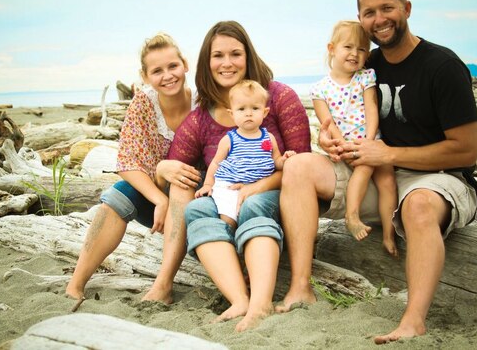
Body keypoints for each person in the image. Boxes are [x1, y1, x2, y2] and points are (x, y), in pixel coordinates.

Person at [277, 0, 477, 345]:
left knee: (418, 205)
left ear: (406, 9)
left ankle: (413, 321)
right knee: (298, 166)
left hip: (439, 179)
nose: (379, 19)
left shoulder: (442, 66)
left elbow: (467, 151)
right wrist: (328, 137)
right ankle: (300, 289)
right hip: (371, 172)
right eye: (369, 13)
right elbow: (337, 106)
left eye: (387, 8)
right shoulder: (364, 65)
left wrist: (389, 153)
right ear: (361, 20)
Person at [145, 20, 311, 331]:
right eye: (217, 55)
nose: (227, 63)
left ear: (248, 55)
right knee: (197, 211)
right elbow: (173, 167)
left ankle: (261, 303)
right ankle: (239, 299)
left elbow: (300, 168)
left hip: (274, 196)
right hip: (226, 196)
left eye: (235, 53)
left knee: (253, 208)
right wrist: (162, 168)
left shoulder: (279, 97)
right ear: (207, 63)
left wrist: (258, 187)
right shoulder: (200, 118)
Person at [65, 33, 201, 307]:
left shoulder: (203, 101)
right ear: (144, 75)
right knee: (116, 198)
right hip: (160, 202)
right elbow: (127, 161)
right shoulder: (143, 103)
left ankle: (164, 286)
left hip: (196, 199)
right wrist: (159, 197)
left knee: (182, 183)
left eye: (173, 66)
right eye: (157, 71)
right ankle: (76, 284)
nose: (168, 76)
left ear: (185, 64)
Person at [310, 20, 397, 256]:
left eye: (361, 49)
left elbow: (372, 108)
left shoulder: (365, 77)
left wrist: (369, 139)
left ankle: (390, 233)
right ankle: (352, 214)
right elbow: (327, 122)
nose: (355, 54)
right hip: (346, 145)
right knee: (365, 166)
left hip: (371, 140)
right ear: (332, 48)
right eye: (348, 47)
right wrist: (345, 144)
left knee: (388, 179)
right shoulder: (320, 89)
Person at [195, 79, 296, 230]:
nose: (248, 113)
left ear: (265, 112)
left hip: (256, 187)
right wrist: (208, 184)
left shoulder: (269, 137)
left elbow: (275, 161)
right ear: (232, 114)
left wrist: (285, 159)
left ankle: (248, 238)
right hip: (229, 186)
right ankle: (227, 237)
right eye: (241, 109)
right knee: (229, 217)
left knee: (249, 214)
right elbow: (216, 163)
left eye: (255, 108)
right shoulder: (229, 139)